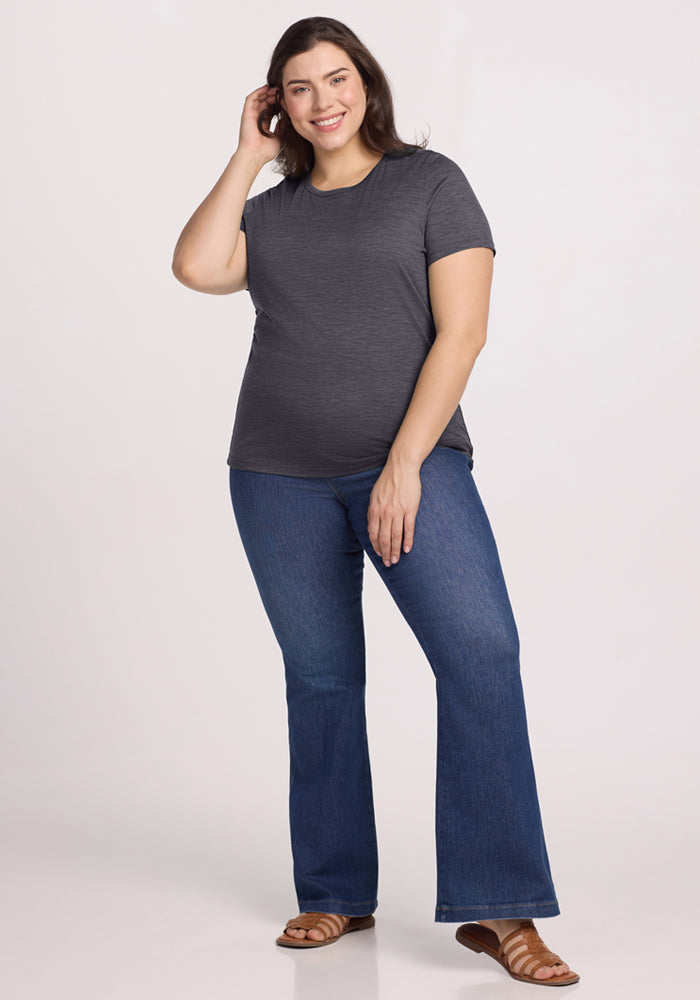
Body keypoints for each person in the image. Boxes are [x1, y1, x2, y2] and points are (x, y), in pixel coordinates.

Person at [172, 15, 579, 988]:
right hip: (275, 472)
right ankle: (335, 889)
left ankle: (497, 907)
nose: (322, 100)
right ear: (278, 103)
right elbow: (195, 266)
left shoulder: (430, 185)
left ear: (367, 82)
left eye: (336, 78)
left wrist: (404, 464)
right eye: (298, 87)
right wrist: (243, 158)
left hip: (409, 463)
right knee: (319, 679)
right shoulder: (268, 214)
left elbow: (462, 333)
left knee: (479, 652)